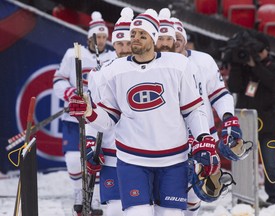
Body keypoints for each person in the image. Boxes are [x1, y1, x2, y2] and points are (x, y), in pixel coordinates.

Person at [68, 9, 221, 216]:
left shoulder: (178, 66)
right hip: (132, 160)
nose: (136, 39)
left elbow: (193, 109)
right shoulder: (114, 71)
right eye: (133, 34)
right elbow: (109, 120)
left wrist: (204, 139)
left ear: (154, 38)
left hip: (173, 160)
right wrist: (90, 112)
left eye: (142, 35)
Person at [164, 14, 245, 216]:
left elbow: (219, 93)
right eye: (169, 39)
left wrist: (229, 119)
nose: (175, 43)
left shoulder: (203, 60)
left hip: (202, 137)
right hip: (167, 140)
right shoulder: (154, 66)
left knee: (196, 195)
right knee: (168, 198)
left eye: (178, 39)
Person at [52, 10, 116, 215]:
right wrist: (71, 92)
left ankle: (95, 196)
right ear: (89, 37)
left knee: (96, 157)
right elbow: (58, 80)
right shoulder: (74, 54)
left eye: (104, 37)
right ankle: (78, 192)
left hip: (99, 117)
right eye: (98, 37)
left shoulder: (113, 56)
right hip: (74, 117)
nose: (101, 40)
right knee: (73, 158)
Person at [226, 31, 275, 205]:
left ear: (267, 50)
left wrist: (256, 66)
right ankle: (244, 197)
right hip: (245, 124)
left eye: (259, 51)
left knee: (269, 164)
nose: (257, 54)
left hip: (267, 126)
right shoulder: (244, 67)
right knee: (244, 163)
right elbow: (234, 86)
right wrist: (238, 65)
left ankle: (274, 198)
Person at [85, 7, 133, 216]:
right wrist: (89, 144)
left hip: (145, 156)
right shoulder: (100, 74)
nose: (123, 49)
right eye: (119, 44)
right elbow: (92, 114)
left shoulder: (155, 71)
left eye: (128, 44)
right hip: (112, 153)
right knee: (114, 210)